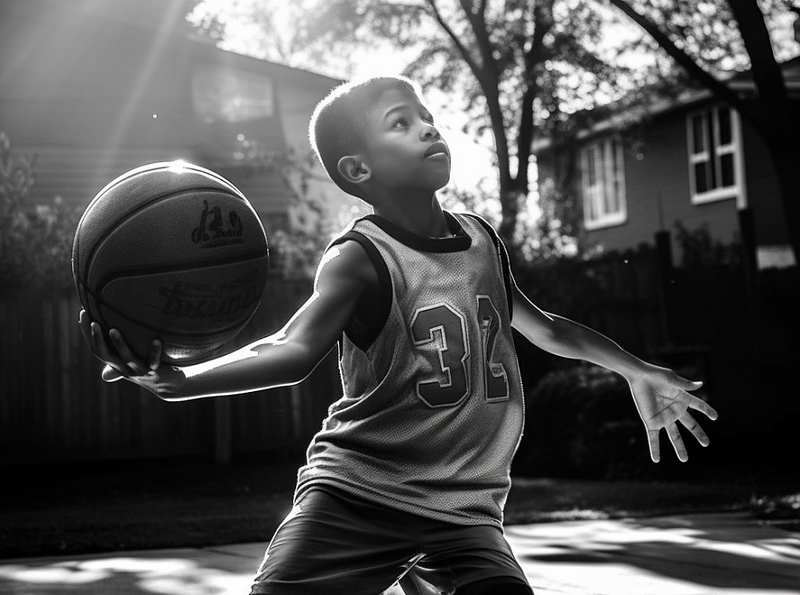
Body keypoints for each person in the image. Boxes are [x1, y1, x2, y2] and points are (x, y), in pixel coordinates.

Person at [80, 74, 718, 595]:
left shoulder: (480, 241)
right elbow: (294, 349)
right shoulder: (360, 257)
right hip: (357, 496)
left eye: (427, 115)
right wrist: (179, 382)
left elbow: (547, 329)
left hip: (466, 514)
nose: (428, 127)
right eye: (401, 123)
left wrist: (639, 369)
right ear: (359, 169)